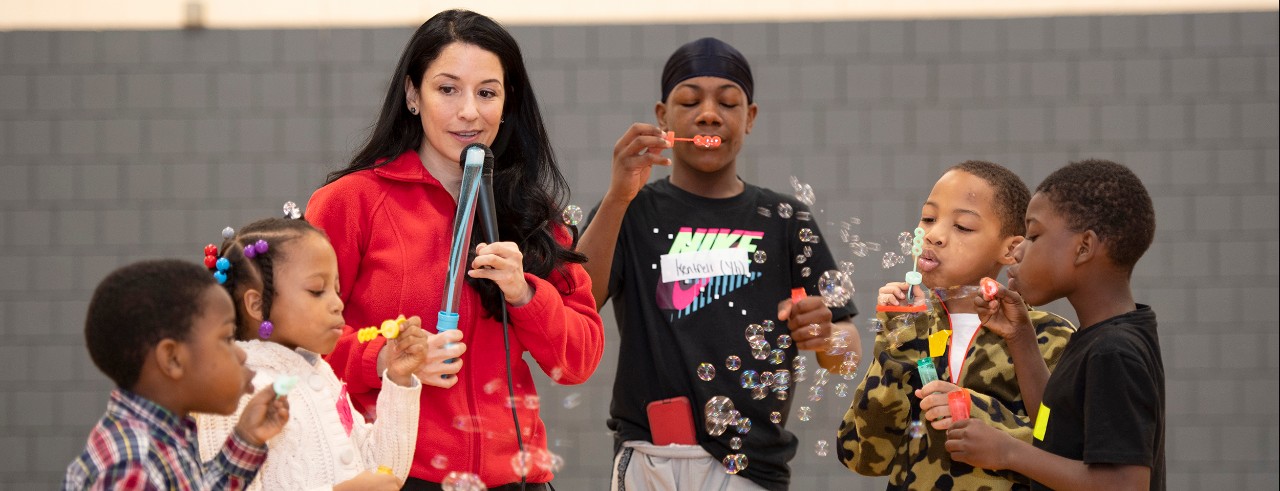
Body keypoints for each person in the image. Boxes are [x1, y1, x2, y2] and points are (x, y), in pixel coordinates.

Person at [306, 9, 604, 489]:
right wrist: (383, 361)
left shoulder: (533, 212)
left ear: (507, 104)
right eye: (447, 89)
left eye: (487, 93)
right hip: (392, 472)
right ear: (412, 95)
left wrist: (524, 293)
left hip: (518, 478)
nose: (470, 111)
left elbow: (579, 360)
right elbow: (298, 343)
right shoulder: (350, 203)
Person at [577, 37, 859, 491]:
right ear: (663, 116)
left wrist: (826, 336)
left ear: (749, 118)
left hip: (753, 467)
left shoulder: (785, 220)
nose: (708, 113)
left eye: (728, 102)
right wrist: (617, 195)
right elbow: (578, 300)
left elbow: (847, 351)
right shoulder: (630, 210)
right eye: (689, 100)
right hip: (651, 456)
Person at [837, 160, 1075, 490]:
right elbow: (863, 457)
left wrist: (972, 409)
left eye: (962, 226)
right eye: (928, 218)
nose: (934, 235)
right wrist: (894, 350)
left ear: (1011, 249)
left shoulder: (1046, 336)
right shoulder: (912, 328)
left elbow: (1065, 448)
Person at [946, 159, 1164, 490]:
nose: (1018, 250)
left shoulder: (1113, 352)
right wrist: (1020, 336)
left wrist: (1008, 452)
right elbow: (1051, 426)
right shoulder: (1097, 337)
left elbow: (1125, 485)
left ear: (1084, 247)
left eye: (1033, 234)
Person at [194, 217, 436, 490]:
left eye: (336, 290)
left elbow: (385, 474)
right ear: (258, 304)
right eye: (317, 291)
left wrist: (399, 378)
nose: (336, 304)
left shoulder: (319, 374)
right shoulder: (233, 392)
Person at [63, 259, 289, 490]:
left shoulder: (163, 437)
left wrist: (247, 438)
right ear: (172, 359)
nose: (241, 355)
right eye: (227, 338)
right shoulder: (136, 467)